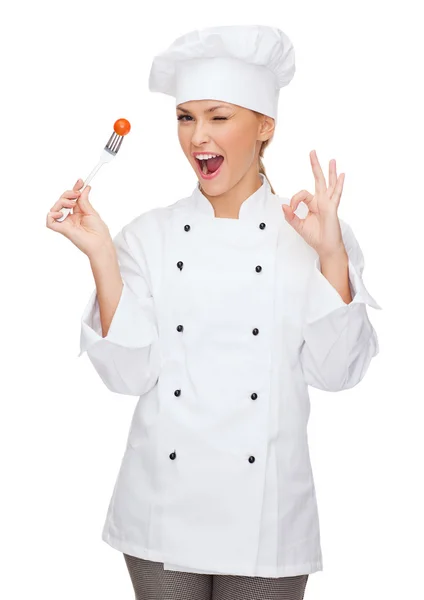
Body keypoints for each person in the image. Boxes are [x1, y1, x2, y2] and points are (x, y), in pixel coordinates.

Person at [46, 25, 382, 600]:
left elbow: (338, 373)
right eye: (185, 117)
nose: (198, 135)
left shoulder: (314, 233)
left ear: (265, 127)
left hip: (267, 517)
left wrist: (329, 254)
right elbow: (129, 375)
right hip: (161, 509)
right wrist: (101, 253)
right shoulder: (146, 236)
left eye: (218, 116)